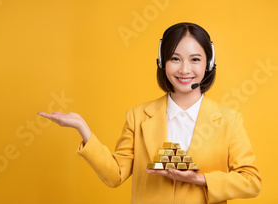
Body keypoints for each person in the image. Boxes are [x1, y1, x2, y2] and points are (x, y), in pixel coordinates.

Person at [37, 22, 262, 204]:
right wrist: (82, 128)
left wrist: (200, 180)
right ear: (162, 63)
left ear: (208, 64)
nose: (185, 69)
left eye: (195, 59)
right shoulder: (138, 116)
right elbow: (115, 176)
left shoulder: (229, 120)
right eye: (175, 58)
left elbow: (251, 181)